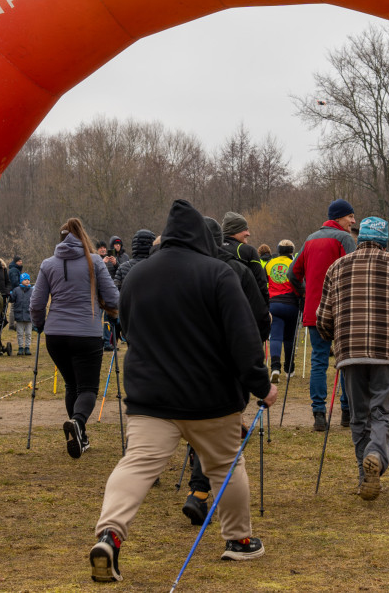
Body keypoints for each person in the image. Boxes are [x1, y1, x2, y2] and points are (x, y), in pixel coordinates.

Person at [90, 200, 276, 582]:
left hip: (150, 397)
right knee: (226, 466)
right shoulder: (219, 274)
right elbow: (243, 338)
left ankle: (109, 533)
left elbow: (127, 328)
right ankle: (239, 541)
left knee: (136, 465)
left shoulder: (138, 275)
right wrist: (261, 386)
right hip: (211, 398)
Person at [315, 216, 389, 501]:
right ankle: (375, 455)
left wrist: (331, 335)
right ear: (385, 240)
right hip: (387, 352)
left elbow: (323, 317)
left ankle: (365, 474)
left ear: (359, 237)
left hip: (350, 352)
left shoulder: (337, 267)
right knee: (382, 413)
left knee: (359, 417)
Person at [179, 217, 271, 525]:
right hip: (229, 358)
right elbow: (260, 315)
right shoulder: (236, 268)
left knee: (202, 419)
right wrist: (252, 352)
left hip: (192, 357)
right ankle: (201, 493)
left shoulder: (189, 268)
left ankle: (200, 490)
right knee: (218, 424)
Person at [31, 218, 120, 459]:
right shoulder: (94, 262)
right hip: (86, 334)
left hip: (56, 335)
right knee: (88, 388)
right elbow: (112, 298)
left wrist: (39, 324)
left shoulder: (48, 264)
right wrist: (113, 311)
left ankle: (80, 436)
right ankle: (78, 423)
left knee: (72, 384)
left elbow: (36, 303)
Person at [288, 199, 356, 431]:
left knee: (318, 360)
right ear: (338, 218)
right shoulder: (345, 239)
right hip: (341, 309)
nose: (353, 221)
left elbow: (292, 274)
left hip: (314, 311)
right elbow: (354, 270)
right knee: (345, 361)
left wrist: (305, 294)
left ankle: (319, 414)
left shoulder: (309, 239)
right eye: (350, 216)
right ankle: (347, 412)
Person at [266, 240, 301, 381]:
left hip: (274, 303)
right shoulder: (293, 264)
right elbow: (298, 282)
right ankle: (289, 368)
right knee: (289, 337)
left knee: (275, 336)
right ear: (291, 251)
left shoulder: (269, 264)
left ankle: (275, 368)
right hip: (291, 304)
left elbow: (264, 282)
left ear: (278, 250)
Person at [222, 211, 269, 307]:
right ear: (234, 230)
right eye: (245, 229)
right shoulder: (247, 250)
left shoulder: (213, 248)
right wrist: (265, 310)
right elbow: (261, 282)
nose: (249, 233)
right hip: (243, 308)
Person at [10, 273, 34, 355]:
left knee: (28, 333)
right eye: (25, 279)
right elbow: (12, 300)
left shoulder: (32, 290)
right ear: (21, 281)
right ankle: (20, 347)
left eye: (28, 279)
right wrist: (10, 295)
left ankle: (27, 347)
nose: (27, 281)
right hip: (19, 315)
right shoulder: (16, 290)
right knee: (20, 333)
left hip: (29, 315)